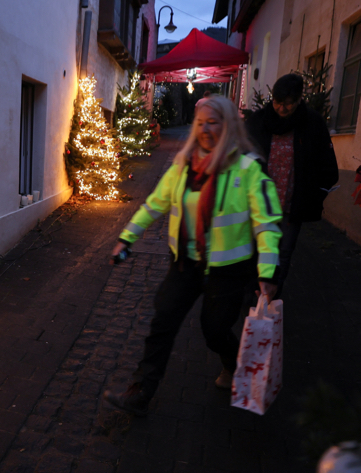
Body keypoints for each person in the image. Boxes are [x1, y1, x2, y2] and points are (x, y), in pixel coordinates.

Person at [104, 95, 282, 416]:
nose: (206, 129)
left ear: (229, 126)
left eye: (213, 122)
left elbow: (267, 225)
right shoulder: (183, 165)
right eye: (200, 123)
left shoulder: (248, 169)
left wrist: (267, 273)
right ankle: (140, 392)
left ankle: (232, 362)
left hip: (228, 270)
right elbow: (155, 204)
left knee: (214, 331)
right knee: (163, 321)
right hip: (185, 263)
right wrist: (126, 238)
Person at [245, 73, 338, 297]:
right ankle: (252, 294)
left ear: (298, 100)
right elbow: (241, 154)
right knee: (255, 250)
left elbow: (327, 165)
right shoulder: (258, 121)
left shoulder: (312, 123)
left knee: (283, 252)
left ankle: (271, 297)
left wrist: (314, 195)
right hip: (259, 203)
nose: (282, 108)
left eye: (288, 103)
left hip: (291, 205)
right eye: (278, 102)